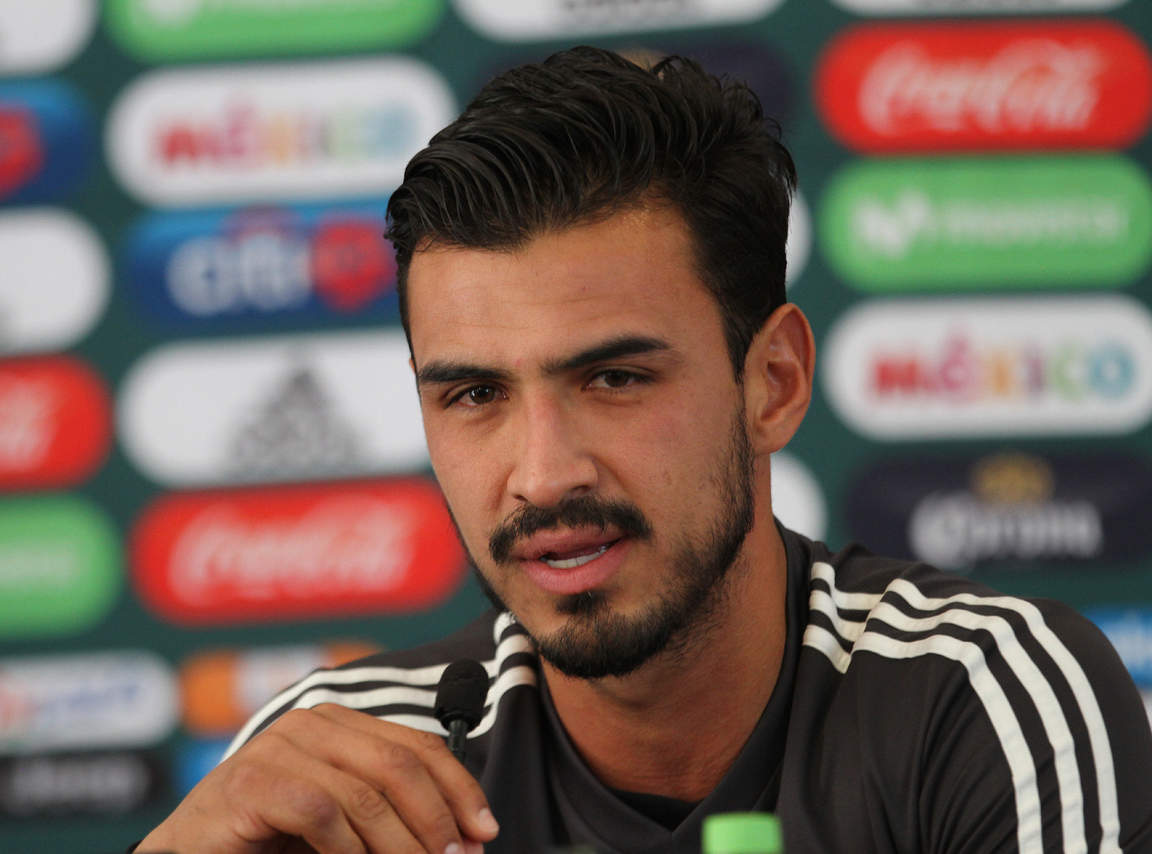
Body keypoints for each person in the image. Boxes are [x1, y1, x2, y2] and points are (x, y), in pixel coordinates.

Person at [136, 47, 1152, 853]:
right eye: (476, 395)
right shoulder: (343, 767)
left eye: (614, 379)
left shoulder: (981, 695)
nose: (544, 473)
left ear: (773, 383)